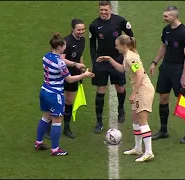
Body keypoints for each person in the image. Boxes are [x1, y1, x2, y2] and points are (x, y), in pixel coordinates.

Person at [34, 32, 94, 156]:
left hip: (44, 90)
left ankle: (38, 142)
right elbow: (69, 79)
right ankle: (55, 150)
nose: (65, 47)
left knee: (46, 117)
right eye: (64, 46)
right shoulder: (60, 63)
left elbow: (60, 61)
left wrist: (74, 64)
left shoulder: (46, 57)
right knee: (57, 120)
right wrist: (84, 75)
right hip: (55, 94)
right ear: (59, 47)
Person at [97, 34, 155, 162]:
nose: (116, 47)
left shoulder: (130, 57)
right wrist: (109, 59)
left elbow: (139, 75)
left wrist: (134, 93)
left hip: (143, 90)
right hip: (140, 90)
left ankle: (149, 152)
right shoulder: (128, 55)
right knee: (135, 119)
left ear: (123, 45)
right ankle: (138, 148)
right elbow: (122, 69)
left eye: (117, 45)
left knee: (142, 121)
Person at [149, 5, 185, 144]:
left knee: (183, 101)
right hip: (166, 68)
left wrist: (184, 76)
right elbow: (163, 47)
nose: (164, 18)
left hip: (178, 69)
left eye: (166, 16)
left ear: (174, 17)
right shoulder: (166, 30)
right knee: (163, 97)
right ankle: (163, 130)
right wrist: (155, 62)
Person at [89, 1, 134, 133]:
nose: (103, 12)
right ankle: (99, 121)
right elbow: (92, 44)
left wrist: (127, 54)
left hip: (117, 59)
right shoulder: (94, 25)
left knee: (120, 88)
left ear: (110, 9)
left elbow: (131, 36)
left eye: (106, 9)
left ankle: (121, 109)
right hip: (101, 61)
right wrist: (94, 61)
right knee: (101, 90)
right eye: (101, 10)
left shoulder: (119, 21)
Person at [45, 19, 86, 139]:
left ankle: (66, 128)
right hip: (62, 76)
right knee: (55, 102)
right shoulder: (67, 42)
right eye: (79, 30)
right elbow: (61, 59)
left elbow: (80, 54)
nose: (81, 32)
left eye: (83, 29)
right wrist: (75, 64)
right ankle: (48, 127)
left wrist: (81, 68)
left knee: (69, 102)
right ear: (73, 29)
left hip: (74, 75)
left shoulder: (82, 40)